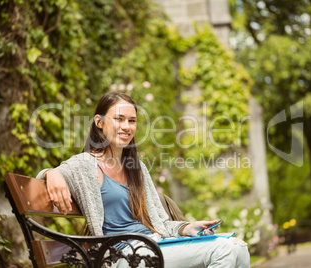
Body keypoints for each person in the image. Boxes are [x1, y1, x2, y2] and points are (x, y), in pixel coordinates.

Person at [37, 92, 250, 268]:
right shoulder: (85, 164)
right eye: (119, 119)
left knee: (238, 246)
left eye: (132, 121)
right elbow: (48, 176)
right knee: (224, 249)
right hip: (125, 256)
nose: (126, 126)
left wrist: (186, 228)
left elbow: (160, 223)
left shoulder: (137, 169)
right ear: (99, 122)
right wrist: (51, 173)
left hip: (154, 245)